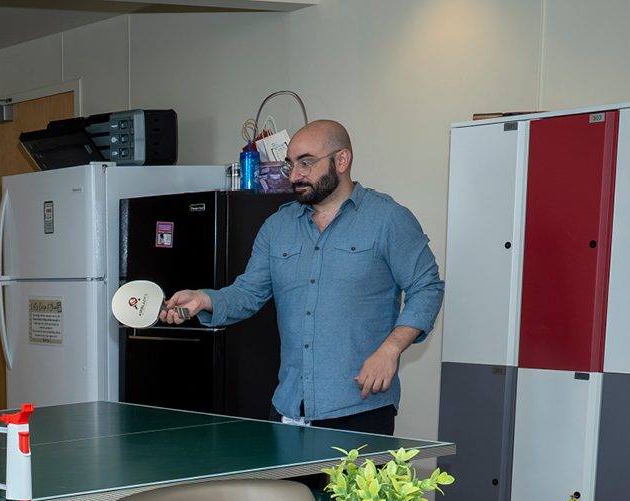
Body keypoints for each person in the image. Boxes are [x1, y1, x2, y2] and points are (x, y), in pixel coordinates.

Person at [159, 120, 443, 435]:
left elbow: (427, 288)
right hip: (290, 407)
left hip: (360, 407)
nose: (294, 176)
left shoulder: (388, 219)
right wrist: (204, 299)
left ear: (341, 160)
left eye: (306, 163)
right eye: (290, 165)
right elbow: (248, 293)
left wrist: (389, 351)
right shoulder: (277, 226)